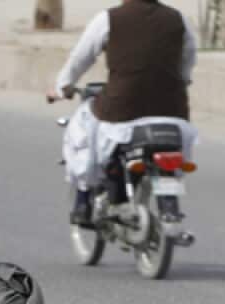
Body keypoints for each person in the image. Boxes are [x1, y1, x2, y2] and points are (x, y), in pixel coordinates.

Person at [49, 0, 198, 225]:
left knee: (81, 125)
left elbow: (81, 57)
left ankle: (82, 199)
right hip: (172, 109)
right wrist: (182, 81)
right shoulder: (179, 20)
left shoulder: (108, 19)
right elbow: (187, 60)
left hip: (122, 109)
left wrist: (62, 87)